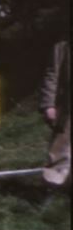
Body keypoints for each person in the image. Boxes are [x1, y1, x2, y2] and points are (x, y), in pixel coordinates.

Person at [40, 40, 70, 185]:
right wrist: (48, 104)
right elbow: (51, 76)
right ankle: (53, 185)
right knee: (60, 149)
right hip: (67, 107)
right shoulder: (62, 47)